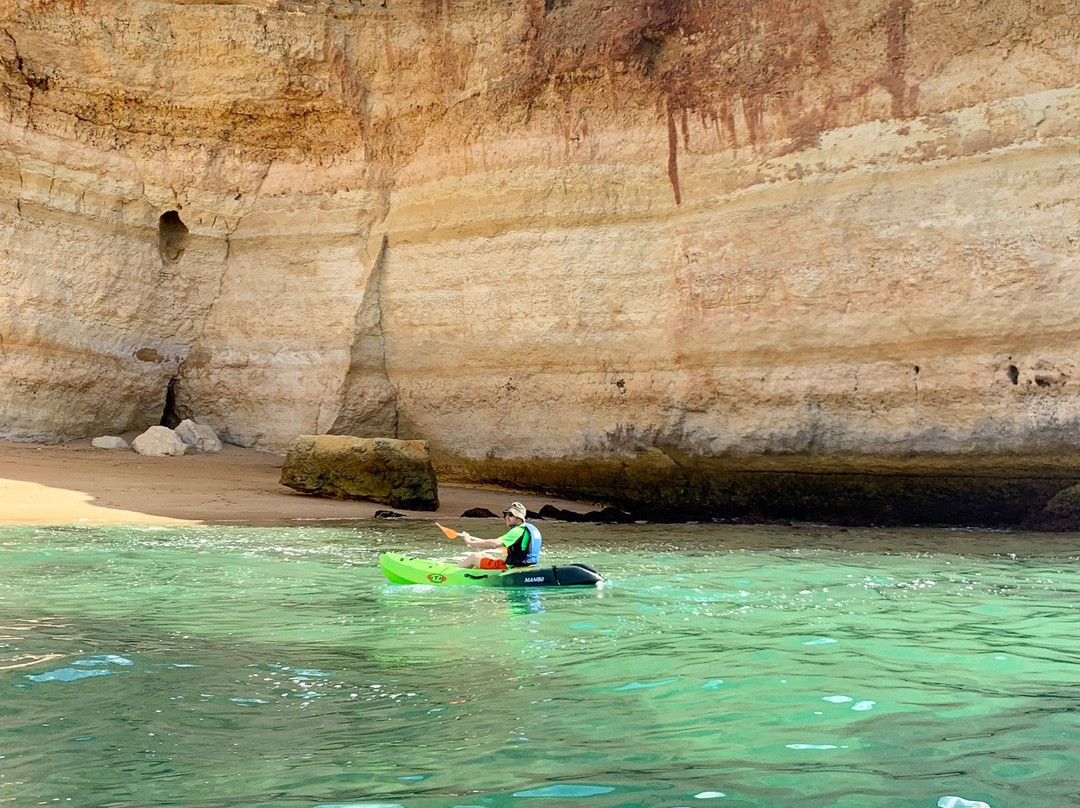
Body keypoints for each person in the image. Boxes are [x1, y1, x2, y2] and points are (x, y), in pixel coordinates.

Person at [457, 501, 542, 569]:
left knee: (474, 556)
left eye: (511, 515)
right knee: (486, 556)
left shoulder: (517, 531)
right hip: (527, 566)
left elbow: (494, 544)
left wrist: (469, 541)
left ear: (519, 517)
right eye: (506, 514)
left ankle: (453, 572)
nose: (507, 517)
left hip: (512, 568)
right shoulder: (530, 528)